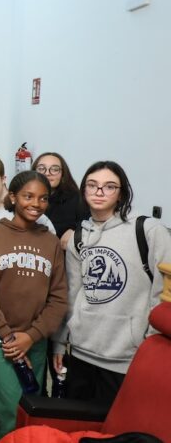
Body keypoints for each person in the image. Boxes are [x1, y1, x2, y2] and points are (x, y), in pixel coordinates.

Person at [53, 161, 171, 408]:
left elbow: (162, 292)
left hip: (126, 356)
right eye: (92, 185)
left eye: (109, 186)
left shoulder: (147, 230)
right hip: (81, 353)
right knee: (79, 427)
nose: (99, 192)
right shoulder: (78, 236)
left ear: (121, 193)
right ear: (83, 190)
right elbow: (73, 294)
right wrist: (60, 341)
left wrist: (151, 344)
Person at [0, 171, 68, 439]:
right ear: (13, 197)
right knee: (9, 411)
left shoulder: (50, 242)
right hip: (1, 340)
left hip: (35, 340)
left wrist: (31, 336)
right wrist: (9, 336)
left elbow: (58, 297)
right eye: (28, 196)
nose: (36, 203)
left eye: (43, 198)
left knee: (31, 409)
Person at [32, 152, 87, 250]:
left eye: (54, 169)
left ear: (62, 174)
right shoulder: (24, 199)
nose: (47, 173)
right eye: (41, 168)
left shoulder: (76, 198)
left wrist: (75, 230)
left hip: (64, 256)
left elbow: (91, 222)